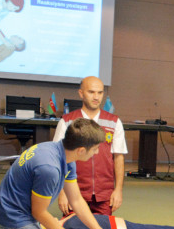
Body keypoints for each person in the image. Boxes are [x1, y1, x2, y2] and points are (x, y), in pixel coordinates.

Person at [52, 76, 127, 215]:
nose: (96, 97)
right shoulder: (67, 122)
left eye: (100, 92)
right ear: (81, 93)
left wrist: (118, 190)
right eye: (91, 92)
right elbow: (58, 158)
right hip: (74, 191)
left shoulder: (114, 122)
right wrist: (61, 192)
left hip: (104, 194)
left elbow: (118, 157)